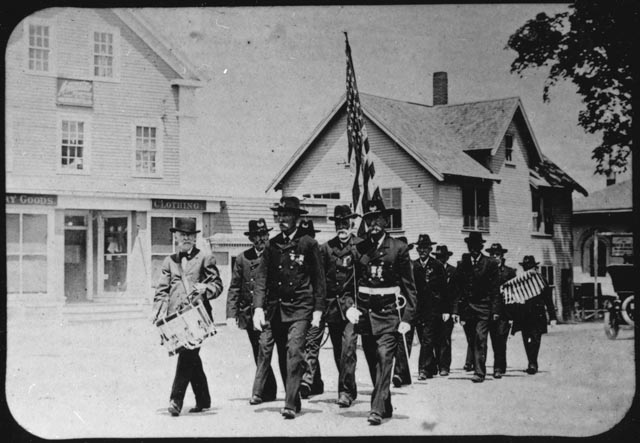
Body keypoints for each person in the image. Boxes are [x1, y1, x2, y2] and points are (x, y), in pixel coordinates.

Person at [252, 196, 326, 419]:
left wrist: (318, 310)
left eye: (286, 215)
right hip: (277, 309)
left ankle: (290, 404)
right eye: (279, 215)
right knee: (285, 356)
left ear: (296, 218)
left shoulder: (308, 244)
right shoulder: (271, 245)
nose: (282, 219)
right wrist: (257, 308)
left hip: (301, 308)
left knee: (295, 352)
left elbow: (319, 280)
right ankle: (293, 397)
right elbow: (261, 278)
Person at [346, 199, 417, 425]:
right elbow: (349, 286)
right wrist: (349, 307)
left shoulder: (398, 248)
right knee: (373, 361)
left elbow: (410, 289)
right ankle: (385, 404)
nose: (373, 224)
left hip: (389, 313)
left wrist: (406, 318)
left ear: (386, 220)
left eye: (378, 219)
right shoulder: (359, 249)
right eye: (369, 219)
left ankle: (376, 409)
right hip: (366, 314)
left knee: (385, 357)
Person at [152, 218, 223, 416]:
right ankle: (203, 399)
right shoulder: (169, 261)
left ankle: (175, 400)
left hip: (197, 317)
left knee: (187, 355)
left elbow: (218, 286)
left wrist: (206, 288)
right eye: (183, 235)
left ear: (195, 238)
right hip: (176, 319)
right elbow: (162, 290)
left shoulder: (205, 258)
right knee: (192, 357)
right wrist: (158, 309)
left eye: (190, 236)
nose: (186, 239)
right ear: (176, 237)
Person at [226, 218, 278, 405]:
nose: (260, 240)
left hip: (271, 312)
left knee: (266, 350)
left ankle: (259, 391)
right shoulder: (243, 258)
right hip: (249, 314)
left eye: (263, 235)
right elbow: (234, 288)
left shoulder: (276, 254)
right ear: (251, 239)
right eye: (256, 236)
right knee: (259, 352)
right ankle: (269, 390)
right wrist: (231, 315)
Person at [316, 205, 362, 407]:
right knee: (338, 351)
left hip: (352, 307)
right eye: (338, 224)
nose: (341, 228)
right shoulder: (325, 248)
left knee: (349, 348)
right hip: (333, 308)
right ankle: (349, 388)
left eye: (345, 223)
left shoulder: (360, 246)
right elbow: (320, 281)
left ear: (351, 224)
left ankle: (345, 391)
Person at [393, 234, 445, 385]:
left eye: (425, 248)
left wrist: (444, 309)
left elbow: (443, 290)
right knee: (405, 339)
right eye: (420, 248)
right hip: (412, 308)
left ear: (430, 249)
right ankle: (400, 373)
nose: (422, 251)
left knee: (427, 339)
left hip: (430, 309)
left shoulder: (437, 266)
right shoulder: (412, 265)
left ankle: (424, 369)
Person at [452, 231, 501, 383]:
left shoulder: (490, 263)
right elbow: (456, 288)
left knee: (481, 338)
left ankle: (480, 372)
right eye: (470, 246)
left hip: (484, 307)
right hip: (467, 309)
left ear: (480, 246)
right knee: (472, 339)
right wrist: (455, 310)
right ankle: (476, 367)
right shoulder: (462, 264)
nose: (472, 249)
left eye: (475, 246)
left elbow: (495, 289)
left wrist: (495, 310)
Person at [512, 255, 557, 375]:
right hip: (524, 315)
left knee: (535, 339)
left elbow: (548, 300)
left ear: (534, 267)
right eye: (526, 267)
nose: (528, 269)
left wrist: (552, 317)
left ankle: (533, 363)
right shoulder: (520, 281)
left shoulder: (541, 280)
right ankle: (530, 361)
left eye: (530, 267)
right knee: (526, 339)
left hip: (538, 315)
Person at [298, 219, 326, 398]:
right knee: (305, 346)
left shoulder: (320, 254)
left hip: (317, 307)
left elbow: (323, 283)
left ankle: (306, 381)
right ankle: (316, 382)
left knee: (311, 344)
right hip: (300, 308)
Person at [485, 243, 517, 379]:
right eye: (492, 254)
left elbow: (515, 293)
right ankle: (500, 364)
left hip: (504, 312)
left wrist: (512, 315)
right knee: (492, 340)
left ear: (502, 256)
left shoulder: (509, 272)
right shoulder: (485, 271)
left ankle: (498, 367)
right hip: (489, 310)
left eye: (497, 254)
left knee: (500, 340)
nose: (494, 257)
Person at [433, 244, 456, 377]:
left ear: (447, 257)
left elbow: (455, 293)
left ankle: (444, 366)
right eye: (438, 257)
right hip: (434, 310)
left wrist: (452, 311)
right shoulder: (432, 270)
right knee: (434, 338)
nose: (440, 259)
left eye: (442, 257)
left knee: (445, 338)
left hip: (447, 310)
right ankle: (435, 365)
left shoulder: (453, 271)